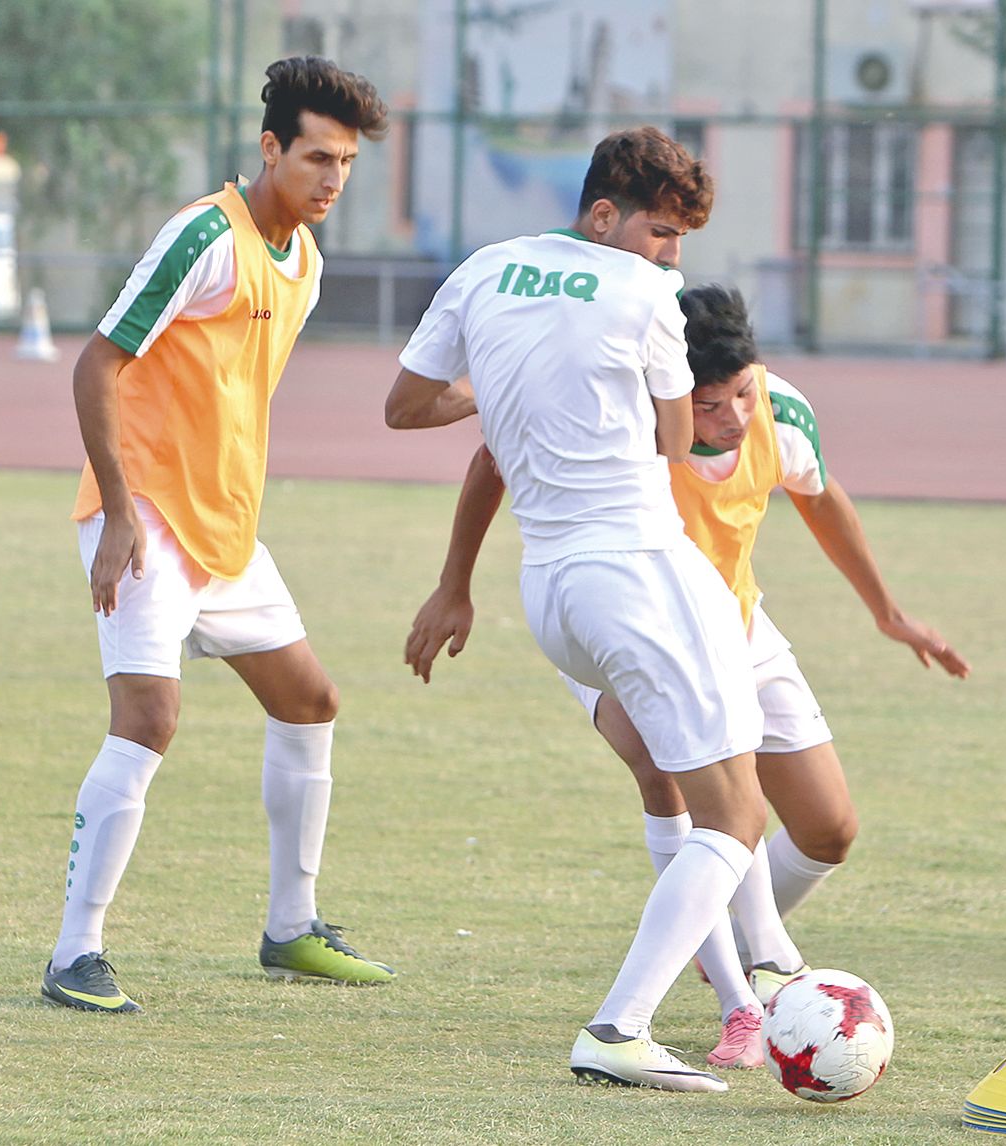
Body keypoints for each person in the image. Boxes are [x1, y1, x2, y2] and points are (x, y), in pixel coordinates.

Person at [402, 284, 971, 1071]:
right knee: (674, 779)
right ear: (672, 390)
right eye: (709, 404)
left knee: (828, 828)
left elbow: (819, 494)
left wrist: (888, 612)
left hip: (736, 626)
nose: (733, 415)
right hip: (625, 623)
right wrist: (454, 585)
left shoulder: (780, 410)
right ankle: (744, 999)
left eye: (743, 391)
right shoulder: (624, 415)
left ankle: (725, 946)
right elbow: (491, 459)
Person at [385, 127, 776, 1094]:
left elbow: (406, 405)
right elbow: (678, 439)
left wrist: (511, 393)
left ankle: (738, 1002)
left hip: (550, 592)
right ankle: (623, 1024)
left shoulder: (483, 271)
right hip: (637, 568)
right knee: (740, 811)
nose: (671, 259)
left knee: (673, 782)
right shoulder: (643, 294)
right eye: (661, 233)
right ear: (603, 215)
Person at [43, 57, 394, 1014]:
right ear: (270, 148)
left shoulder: (307, 265)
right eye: (316, 156)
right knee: (150, 721)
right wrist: (117, 510)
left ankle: (290, 929)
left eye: (347, 163)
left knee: (310, 700)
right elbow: (98, 362)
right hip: (147, 519)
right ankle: (76, 952)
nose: (331, 178)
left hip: (226, 532)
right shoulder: (205, 236)